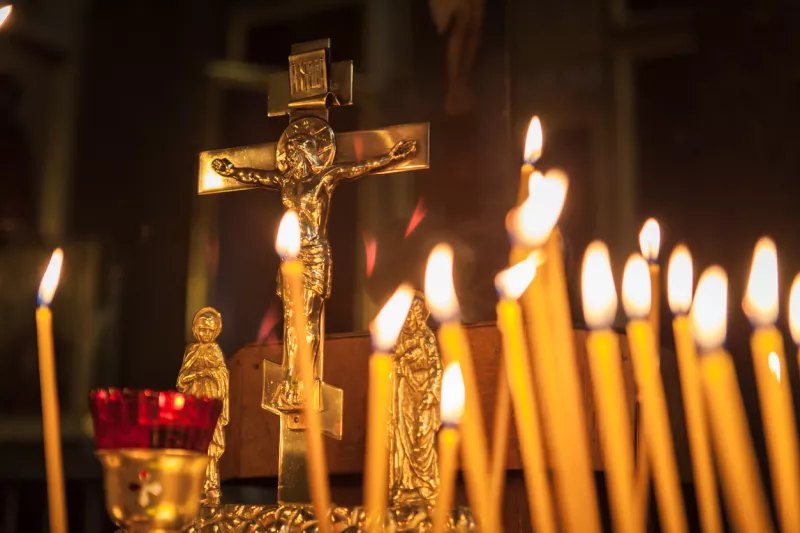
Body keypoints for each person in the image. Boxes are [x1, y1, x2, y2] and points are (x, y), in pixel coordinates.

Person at [210, 116, 416, 408]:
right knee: (291, 320)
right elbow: (257, 176)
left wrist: (390, 157)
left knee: (308, 319)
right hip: (291, 259)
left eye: (295, 154)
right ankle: (291, 378)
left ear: (306, 154)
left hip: (315, 254)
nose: (290, 160)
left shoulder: (323, 179)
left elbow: (358, 167)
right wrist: (232, 170)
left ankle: (305, 378)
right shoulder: (286, 181)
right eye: (289, 155)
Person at [176, 307, 229, 505]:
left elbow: (223, 377)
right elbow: (181, 381)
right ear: (195, 329)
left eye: (209, 331)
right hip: (195, 405)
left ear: (215, 332)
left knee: (211, 446)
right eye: (202, 330)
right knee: (195, 444)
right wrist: (198, 374)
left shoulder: (215, 351)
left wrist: (213, 374)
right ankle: (194, 485)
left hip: (211, 405)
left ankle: (211, 485)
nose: (206, 334)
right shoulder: (191, 351)